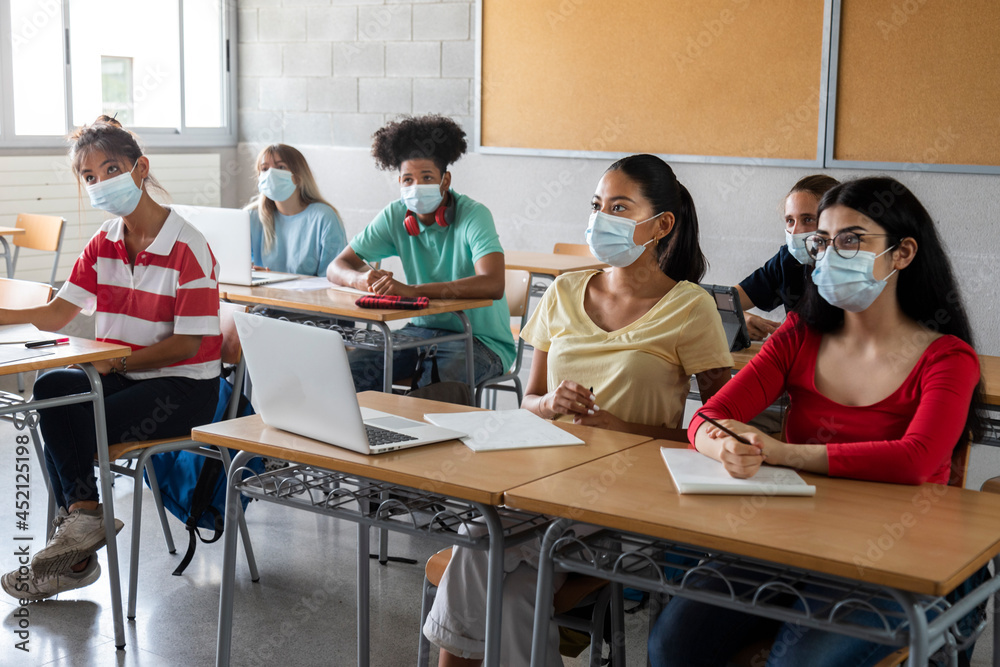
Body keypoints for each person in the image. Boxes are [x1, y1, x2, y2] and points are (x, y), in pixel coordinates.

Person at [648, 176, 986, 667]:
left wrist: (783, 453)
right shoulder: (799, 334)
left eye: (851, 239)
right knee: (672, 646)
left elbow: (917, 460)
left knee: (799, 662)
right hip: (791, 537)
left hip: (894, 557)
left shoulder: (947, 358)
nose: (829, 254)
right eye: (821, 242)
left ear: (903, 253)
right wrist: (725, 445)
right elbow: (708, 415)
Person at [423, 154, 735, 667]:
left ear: (661, 225)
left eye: (618, 206)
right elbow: (527, 399)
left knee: (481, 533)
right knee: (516, 589)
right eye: (596, 205)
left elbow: (714, 431)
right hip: (548, 479)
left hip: (630, 497)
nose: (600, 218)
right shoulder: (564, 290)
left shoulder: (690, 306)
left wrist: (624, 429)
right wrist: (546, 404)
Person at [0, 117, 222, 601]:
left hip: (185, 388)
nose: (100, 183)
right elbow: (58, 312)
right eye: (89, 176)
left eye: (111, 168)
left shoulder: (189, 247)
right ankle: (84, 524)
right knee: (52, 389)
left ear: (141, 168)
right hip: (124, 378)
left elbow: (188, 345)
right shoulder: (103, 241)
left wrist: (116, 364)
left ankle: (76, 553)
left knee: (78, 420)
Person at [326, 115, 514, 391]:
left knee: (432, 389)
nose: (416, 187)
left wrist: (413, 291)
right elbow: (337, 266)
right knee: (346, 375)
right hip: (417, 334)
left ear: (445, 180)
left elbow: (493, 284)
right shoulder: (394, 215)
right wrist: (361, 280)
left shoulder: (474, 215)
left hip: (478, 340)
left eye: (426, 177)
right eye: (407, 180)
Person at [735, 175, 839, 340]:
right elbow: (724, 301)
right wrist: (740, 319)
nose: (795, 231)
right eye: (790, 221)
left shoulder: (851, 270)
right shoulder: (787, 260)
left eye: (808, 219)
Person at [247, 143, 346, 276]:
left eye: (281, 167)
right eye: (264, 169)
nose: (271, 174)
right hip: (258, 295)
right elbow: (237, 266)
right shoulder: (251, 217)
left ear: (298, 176)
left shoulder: (324, 217)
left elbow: (333, 277)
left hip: (309, 296)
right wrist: (252, 271)